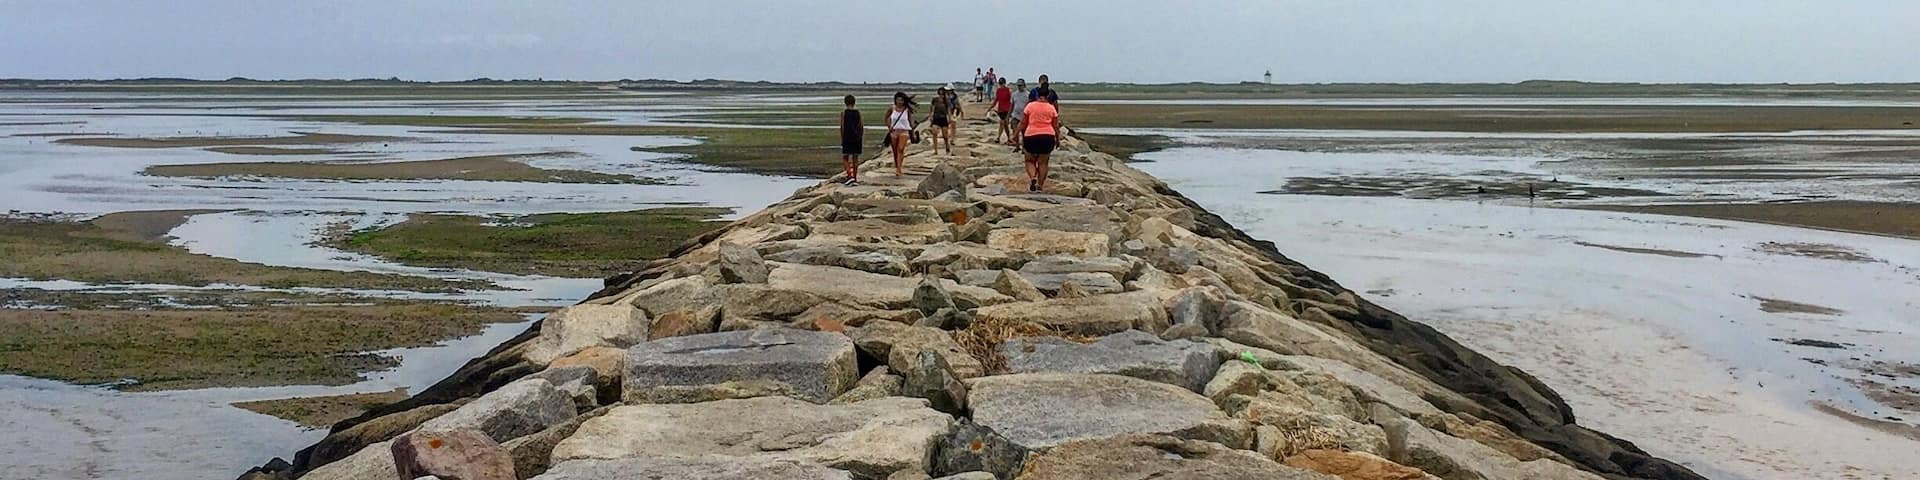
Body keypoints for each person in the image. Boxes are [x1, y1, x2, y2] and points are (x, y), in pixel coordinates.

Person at [1018, 87, 1060, 192]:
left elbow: (1023, 123)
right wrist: (1058, 139)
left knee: (1029, 160)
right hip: (1047, 136)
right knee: (1043, 163)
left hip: (1031, 136)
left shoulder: (1030, 106)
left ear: (1037, 95)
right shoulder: (1051, 108)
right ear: (1048, 95)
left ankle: (1033, 177)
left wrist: (1015, 134)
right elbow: (1055, 126)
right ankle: (1040, 185)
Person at [885, 91, 917, 176]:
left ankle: (899, 169)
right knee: (895, 150)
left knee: (901, 149)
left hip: (904, 131)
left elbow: (910, 121)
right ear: (895, 100)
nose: (899, 102)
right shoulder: (891, 108)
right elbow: (886, 118)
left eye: (901, 100)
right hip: (894, 131)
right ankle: (897, 165)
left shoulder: (907, 110)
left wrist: (913, 132)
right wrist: (889, 126)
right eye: (898, 100)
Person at [837, 94, 863, 185]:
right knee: (855, 158)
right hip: (857, 138)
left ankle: (849, 175)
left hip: (847, 137)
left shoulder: (844, 113)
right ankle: (855, 178)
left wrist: (842, 138)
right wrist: (860, 136)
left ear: (845, 103)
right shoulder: (858, 112)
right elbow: (861, 126)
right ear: (854, 102)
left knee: (845, 158)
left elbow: (842, 127)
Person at [929, 86, 955, 155]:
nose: (941, 95)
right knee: (934, 133)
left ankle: (947, 145)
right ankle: (935, 150)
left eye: (942, 94)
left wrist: (950, 118)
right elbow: (932, 108)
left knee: (945, 136)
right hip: (936, 118)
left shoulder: (947, 101)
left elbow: (949, 110)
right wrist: (931, 116)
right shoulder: (935, 100)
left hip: (943, 119)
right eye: (940, 94)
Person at [1007, 79, 1029, 147]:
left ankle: (1024, 147)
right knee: (1015, 131)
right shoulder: (1014, 94)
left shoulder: (1028, 94)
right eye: (1018, 85)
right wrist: (1008, 116)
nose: (1019, 87)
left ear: (1024, 85)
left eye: (1020, 85)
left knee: (1024, 132)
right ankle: (1017, 146)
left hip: (1024, 116)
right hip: (1015, 115)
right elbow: (1012, 105)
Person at [992, 78, 1014, 143]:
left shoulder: (1008, 90)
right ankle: (1006, 138)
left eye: (1002, 83)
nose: (1001, 85)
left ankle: (1000, 137)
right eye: (1000, 83)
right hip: (1001, 110)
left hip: (1007, 110)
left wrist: (1012, 110)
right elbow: (996, 100)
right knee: (1003, 124)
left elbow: (1012, 101)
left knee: (1004, 123)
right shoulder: (998, 90)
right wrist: (990, 108)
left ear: (1004, 83)